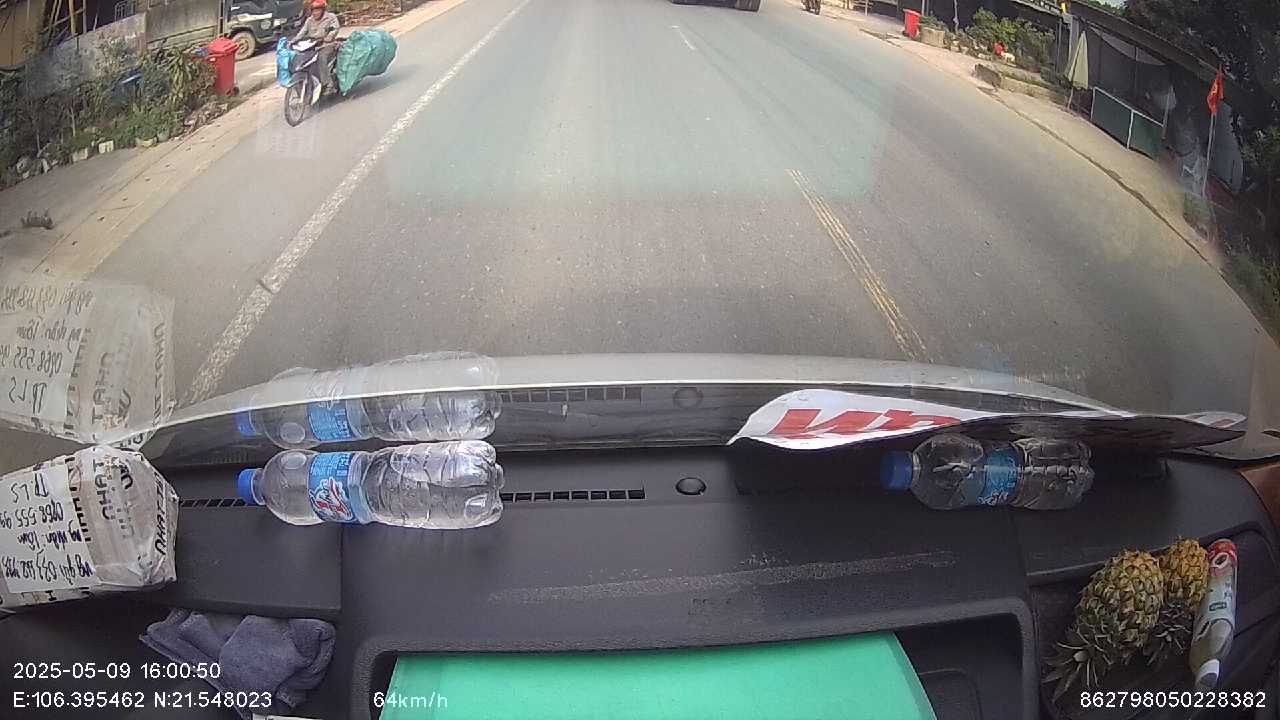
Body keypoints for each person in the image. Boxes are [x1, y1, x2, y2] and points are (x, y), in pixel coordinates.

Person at [293, 0, 340, 92]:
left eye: (318, 10)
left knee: (321, 58)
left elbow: (335, 29)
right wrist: (293, 41)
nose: (315, 13)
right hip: (312, 46)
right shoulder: (309, 20)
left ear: (323, 10)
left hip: (327, 45)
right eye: (314, 10)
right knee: (300, 58)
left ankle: (328, 84)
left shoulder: (330, 17)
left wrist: (328, 38)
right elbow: (301, 33)